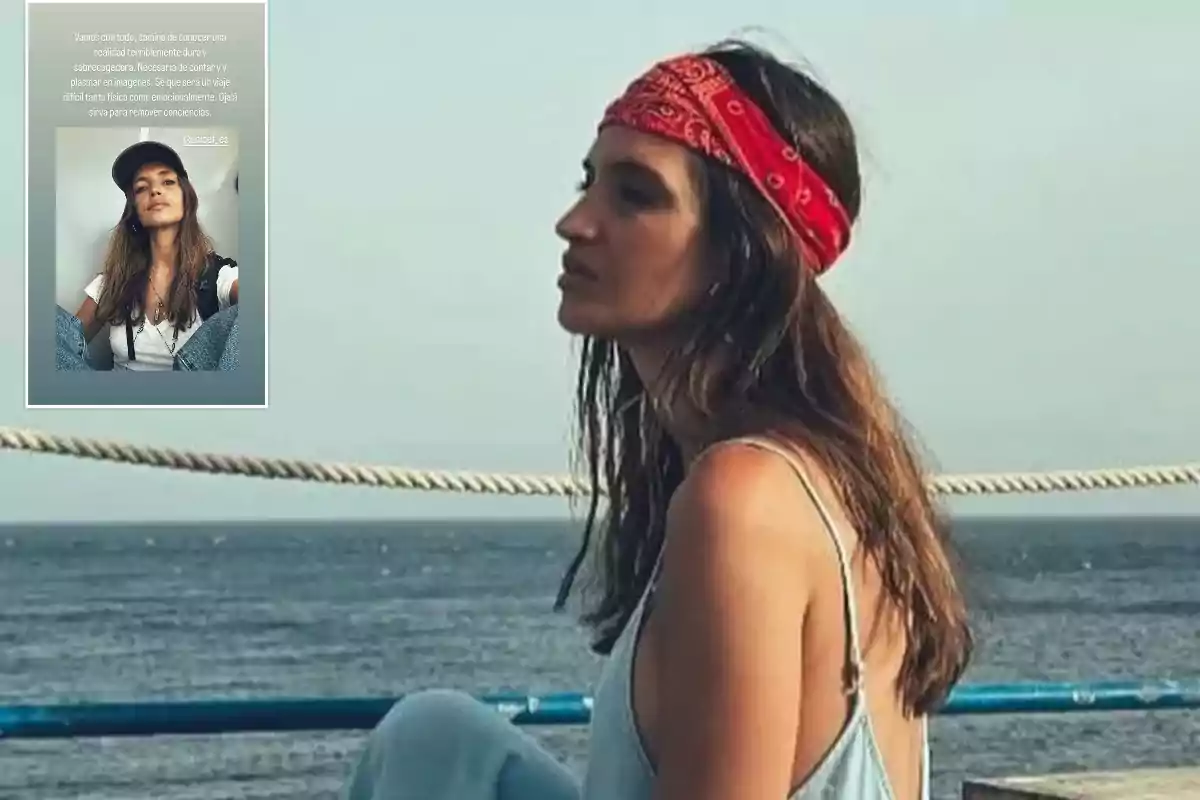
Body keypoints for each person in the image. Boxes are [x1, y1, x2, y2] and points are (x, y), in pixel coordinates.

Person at [342, 39, 973, 800]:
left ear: (743, 251)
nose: (575, 223)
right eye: (589, 183)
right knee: (436, 739)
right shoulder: (826, 482)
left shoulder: (743, 499)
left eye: (635, 195)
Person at [70, 140, 239, 371]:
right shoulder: (112, 282)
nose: (155, 190)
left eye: (168, 181)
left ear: (186, 198)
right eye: (141, 187)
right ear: (134, 209)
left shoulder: (217, 277)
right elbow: (63, 344)